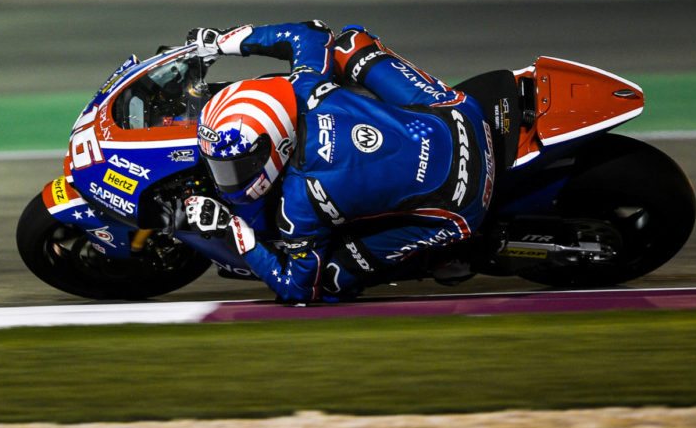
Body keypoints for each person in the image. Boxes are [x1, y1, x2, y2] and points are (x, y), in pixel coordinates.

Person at [183, 21, 494, 302]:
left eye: (238, 165)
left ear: (277, 144)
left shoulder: (299, 203)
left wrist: (235, 229)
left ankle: (437, 260)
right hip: (461, 114)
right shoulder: (305, 85)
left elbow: (298, 290)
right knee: (348, 43)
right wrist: (223, 42)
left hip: (461, 205)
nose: (227, 177)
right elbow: (311, 33)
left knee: (329, 280)